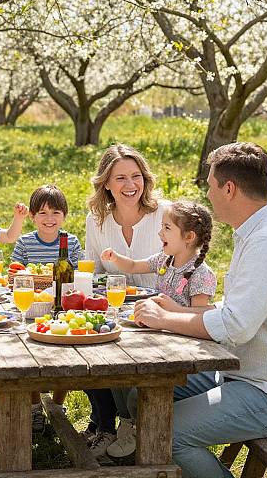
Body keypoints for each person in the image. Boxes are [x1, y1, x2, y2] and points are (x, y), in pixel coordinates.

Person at [134, 142, 267, 478]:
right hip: (245, 377)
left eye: (211, 185)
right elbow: (232, 309)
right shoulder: (256, 235)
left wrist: (166, 319)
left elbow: (236, 327)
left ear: (229, 189)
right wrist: (178, 312)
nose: (209, 194)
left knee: (166, 431)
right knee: (141, 397)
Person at [100, 200, 217, 458]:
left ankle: (142, 432)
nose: (159, 233)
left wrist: (171, 309)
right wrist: (116, 258)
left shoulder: (200, 274)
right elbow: (133, 266)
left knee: (135, 390)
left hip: (183, 348)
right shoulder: (165, 260)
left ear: (188, 237)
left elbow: (205, 313)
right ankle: (128, 424)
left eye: (166, 228)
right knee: (116, 371)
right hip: (158, 339)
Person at [84, 143, 170, 459]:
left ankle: (127, 428)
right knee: (84, 352)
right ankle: (111, 425)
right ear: (106, 183)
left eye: (136, 176)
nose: (130, 185)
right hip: (116, 316)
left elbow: (184, 267)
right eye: (120, 178)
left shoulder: (164, 213)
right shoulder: (96, 220)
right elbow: (91, 272)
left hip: (161, 314)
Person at [11, 184, 82, 432]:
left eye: (55, 213)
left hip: (63, 307)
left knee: (69, 355)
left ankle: (58, 404)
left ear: (64, 216)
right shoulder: (25, 243)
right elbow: (15, 276)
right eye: (42, 213)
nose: (49, 219)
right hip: (32, 306)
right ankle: (34, 406)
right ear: (32, 216)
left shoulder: (71, 242)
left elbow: (76, 277)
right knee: (27, 356)